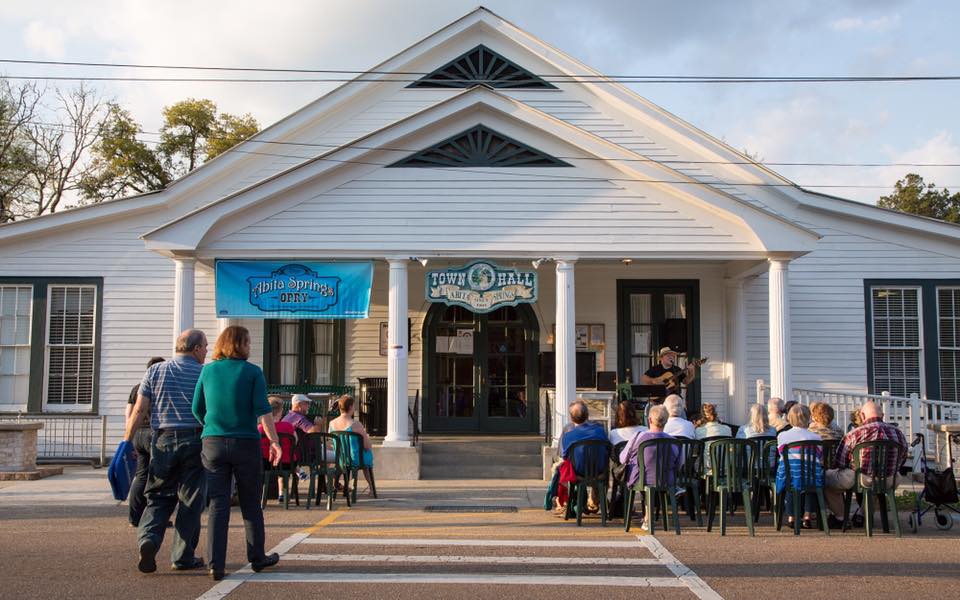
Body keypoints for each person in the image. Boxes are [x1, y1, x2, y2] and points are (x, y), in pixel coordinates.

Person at [193, 325, 282, 581]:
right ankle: (257, 557)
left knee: (218, 504)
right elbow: (264, 411)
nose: (249, 346)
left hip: (213, 442)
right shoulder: (253, 372)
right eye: (247, 342)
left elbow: (197, 408)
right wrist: (274, 441)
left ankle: (215, 564)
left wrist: (211, 426)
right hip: (245, 441)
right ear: (237, 344)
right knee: (250, 502)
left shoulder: (207, 371)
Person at [124, 329, 208, 574]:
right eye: (204, 346)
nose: (205, 351)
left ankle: (148, 539)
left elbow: (139, 410)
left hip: (162, 438)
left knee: (158, 495)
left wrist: (126, 441)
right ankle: (182, 556)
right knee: (191, 499)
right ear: (195, 349)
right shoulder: (204, 374)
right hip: (195, 438)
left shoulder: (154, 371)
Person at [824, 401, 907, 528]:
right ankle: (862, 515)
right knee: (876, 485)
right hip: (890, 479)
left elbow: (840, 462)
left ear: (862, 416)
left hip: (861, 478)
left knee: (824, 478)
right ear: (882, 415)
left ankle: (840, 517)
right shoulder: (898, 433)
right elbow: (902, 459)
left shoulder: (854, 434)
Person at [619, 405, 681, 530]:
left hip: (641, 479)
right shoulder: (674, 441)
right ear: (666, 421)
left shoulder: (638, 437)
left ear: (650, 420)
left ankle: (647, 517)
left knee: (643, 473)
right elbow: (679, 463)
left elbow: (622, 459)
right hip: (666, 480)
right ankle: (649, 515)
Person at [125, 356, 165, 527]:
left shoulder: (136, 388)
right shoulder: (159, 387)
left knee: (140, 475)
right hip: (153, 433)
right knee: (158, 476)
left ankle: (134, 517)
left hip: (137, 434)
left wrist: (128, 438)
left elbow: (129, 413)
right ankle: (153, 518)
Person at [776, 404, 823, 529]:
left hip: (790, 474)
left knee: (791, 484)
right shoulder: (816, 437)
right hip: (810, 475)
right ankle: (807, 516)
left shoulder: (782, 436)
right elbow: (818, 455)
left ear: (790, 419)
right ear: (808, 418)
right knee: (810, 482)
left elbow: (782, 453)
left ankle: (792, 517)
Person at [328, 394, 375, 493]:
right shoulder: (355, 424)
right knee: (367, 454)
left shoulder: (331, 423)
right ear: (350, 407)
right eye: (353, 406)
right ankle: (371, 487)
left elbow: (330, 442)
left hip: (340, 460)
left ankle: (338, 483)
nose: (354, 408)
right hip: (355, 460)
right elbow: (367, 446)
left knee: (344, 458)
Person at [259, 396, 298, 500]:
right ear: (280, 411)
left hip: (266, 463)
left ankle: (263, 495)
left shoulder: (260, 428)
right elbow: (295, 441)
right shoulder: (288, 426)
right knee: (285, 470)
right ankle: (282, 493)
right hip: (286, 463)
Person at [695, 403, 732, 474]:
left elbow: (696, 450)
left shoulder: (699, 431)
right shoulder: (727, 429)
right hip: (725, 468)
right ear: (716, 414)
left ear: (702, 416)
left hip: (708, 469)